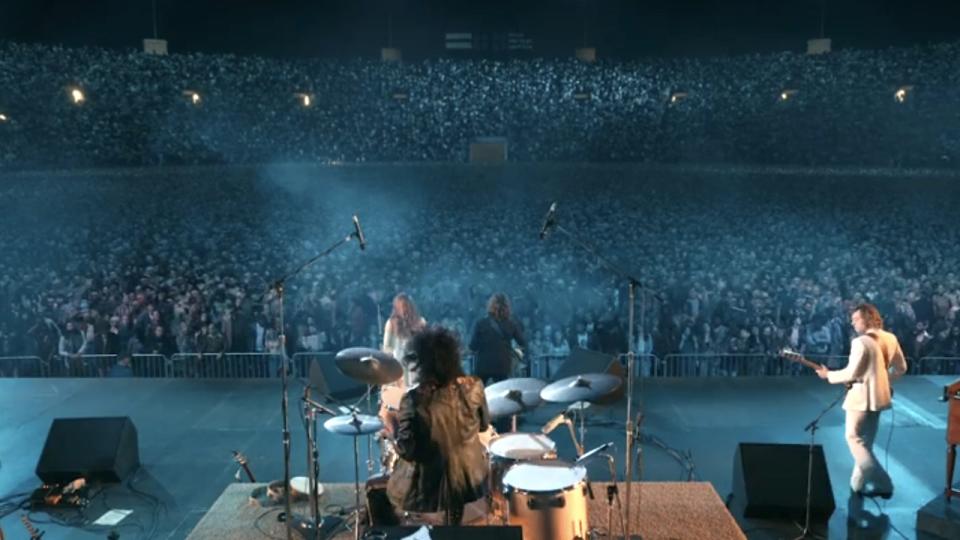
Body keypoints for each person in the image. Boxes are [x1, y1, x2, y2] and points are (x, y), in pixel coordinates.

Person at [387, 325, 490, 525]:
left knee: (384, 492)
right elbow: (484, 426)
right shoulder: (474, 387)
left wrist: (391, 430)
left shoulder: (413, 400)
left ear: (422, 365)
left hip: (428, 489)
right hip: (471, 479)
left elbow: (408, 451)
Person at [815, 304, 907, 498]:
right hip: (880, 397)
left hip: (861, 398)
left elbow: (852, 372)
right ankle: (857, 484)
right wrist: (882, 381)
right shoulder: (890, 338)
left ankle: (884, 482)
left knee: (853, 439)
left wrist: (828, 375)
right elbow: (901, 367)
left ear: (867, 318)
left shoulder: (861, 342)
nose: (852, 322)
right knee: (866, 443)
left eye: (856, 319)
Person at [469, 293, 527, 383]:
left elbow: (473, 346)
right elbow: (523, 344)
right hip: (502, 365)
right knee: (501, 393)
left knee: (477, 393)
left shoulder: (481, 323)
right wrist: (516, 357)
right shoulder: (511, 324)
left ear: (490, 306)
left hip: (484, 365)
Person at [382, 293, 427, 386]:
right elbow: (387, 348)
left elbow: (426, 345)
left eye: (406, 306)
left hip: (417, 368)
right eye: (401, 307)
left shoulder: (421, 322)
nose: (404, 310)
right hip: (400, 370)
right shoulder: (391, 324)